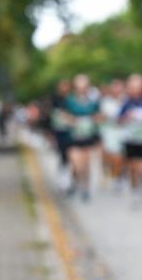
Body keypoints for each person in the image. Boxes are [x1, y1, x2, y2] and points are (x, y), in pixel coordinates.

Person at [60, 74, 101, 202]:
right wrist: (73, 120)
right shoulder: (69, 100)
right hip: (73, 137)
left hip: (88, 137)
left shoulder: (93, 101)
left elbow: (98, 116)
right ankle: (75, 182)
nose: (81, 89)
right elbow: (63, 115)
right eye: (79, 87)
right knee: (76, 165)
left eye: (84, 86)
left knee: (86, 164)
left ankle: (85, 187)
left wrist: (91, 120)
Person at [99, 78, 127, 192]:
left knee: (120, 158)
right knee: (111, 157)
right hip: (110, 132)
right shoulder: (106, 101)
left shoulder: (126, 100)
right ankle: (112, 175)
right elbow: (102, 117)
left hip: (123, 132)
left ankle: (118, 177)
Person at [51, 80, 73, 188]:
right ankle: (63, 177)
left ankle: (70, 178)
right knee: (63, 154)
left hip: (72, 131)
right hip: (60, 131)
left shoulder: (72, 99)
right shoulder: (55, 99)